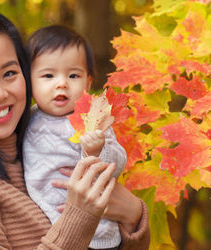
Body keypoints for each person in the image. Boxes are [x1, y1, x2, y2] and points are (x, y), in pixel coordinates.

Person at [0, 7, 149, 249]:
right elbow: (75, 227)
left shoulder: (39, 150)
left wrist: (132, 214)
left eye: (10, 73)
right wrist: (79, 217)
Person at [23, 25, 127, 249]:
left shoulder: (92, 119)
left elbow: (118, 163)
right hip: (48, 227)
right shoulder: (25, 120)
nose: (62, 83)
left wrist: (97, 150)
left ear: (89, 82)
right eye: (48, 75)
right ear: (29, 82)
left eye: (73, 75)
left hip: (96, 232)